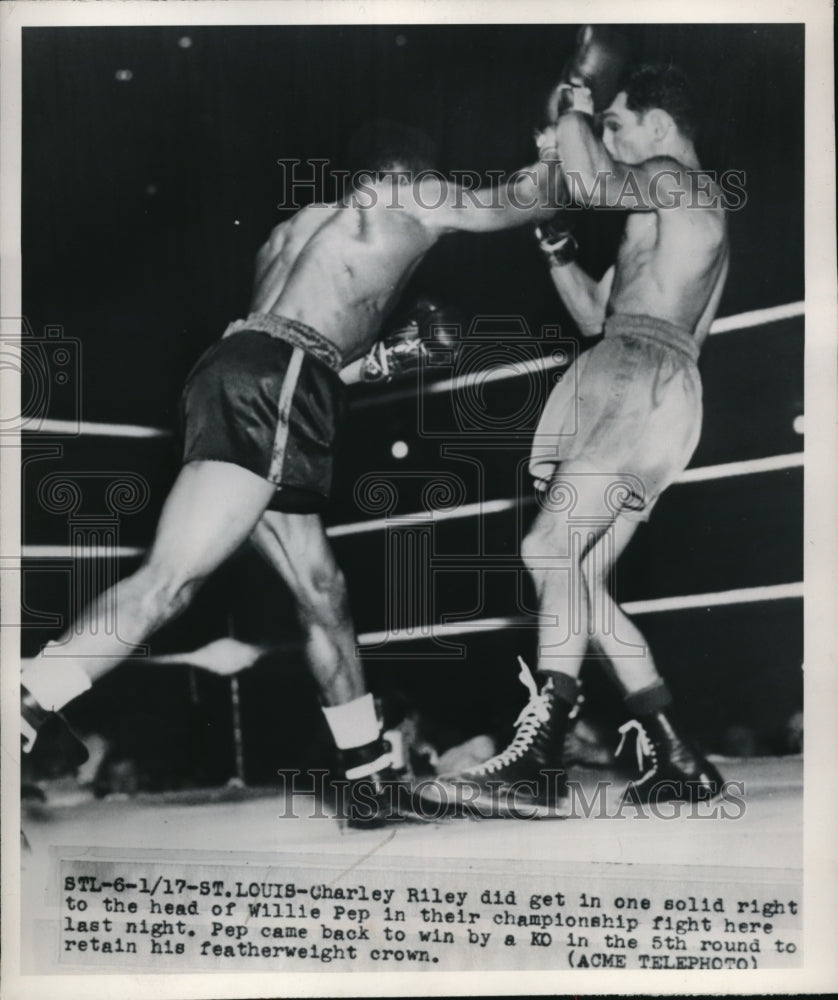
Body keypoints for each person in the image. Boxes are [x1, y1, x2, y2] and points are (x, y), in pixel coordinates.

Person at [20, 121, 562, 827]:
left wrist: (381, 360)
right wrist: (558, 141)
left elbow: (292, 337)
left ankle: (367, 780)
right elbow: (530, 200)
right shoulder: (410, 196)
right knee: (169, 583)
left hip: (243, 373)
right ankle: (24, 702)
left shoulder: (294, 231)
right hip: (277, 388)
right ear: (410, 174)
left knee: (321, 589)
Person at [432, 60, 730, 816]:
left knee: (546, 549)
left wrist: (574, 108)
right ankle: (679, 756)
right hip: (640, 376)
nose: (610, 139)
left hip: (638, 379)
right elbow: (596, 315)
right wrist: (556, 244)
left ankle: (541, 760)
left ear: (659, 126)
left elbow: (593, 178)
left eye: (617, 126)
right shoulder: (670, 208)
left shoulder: (674, 177)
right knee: (582, 584)